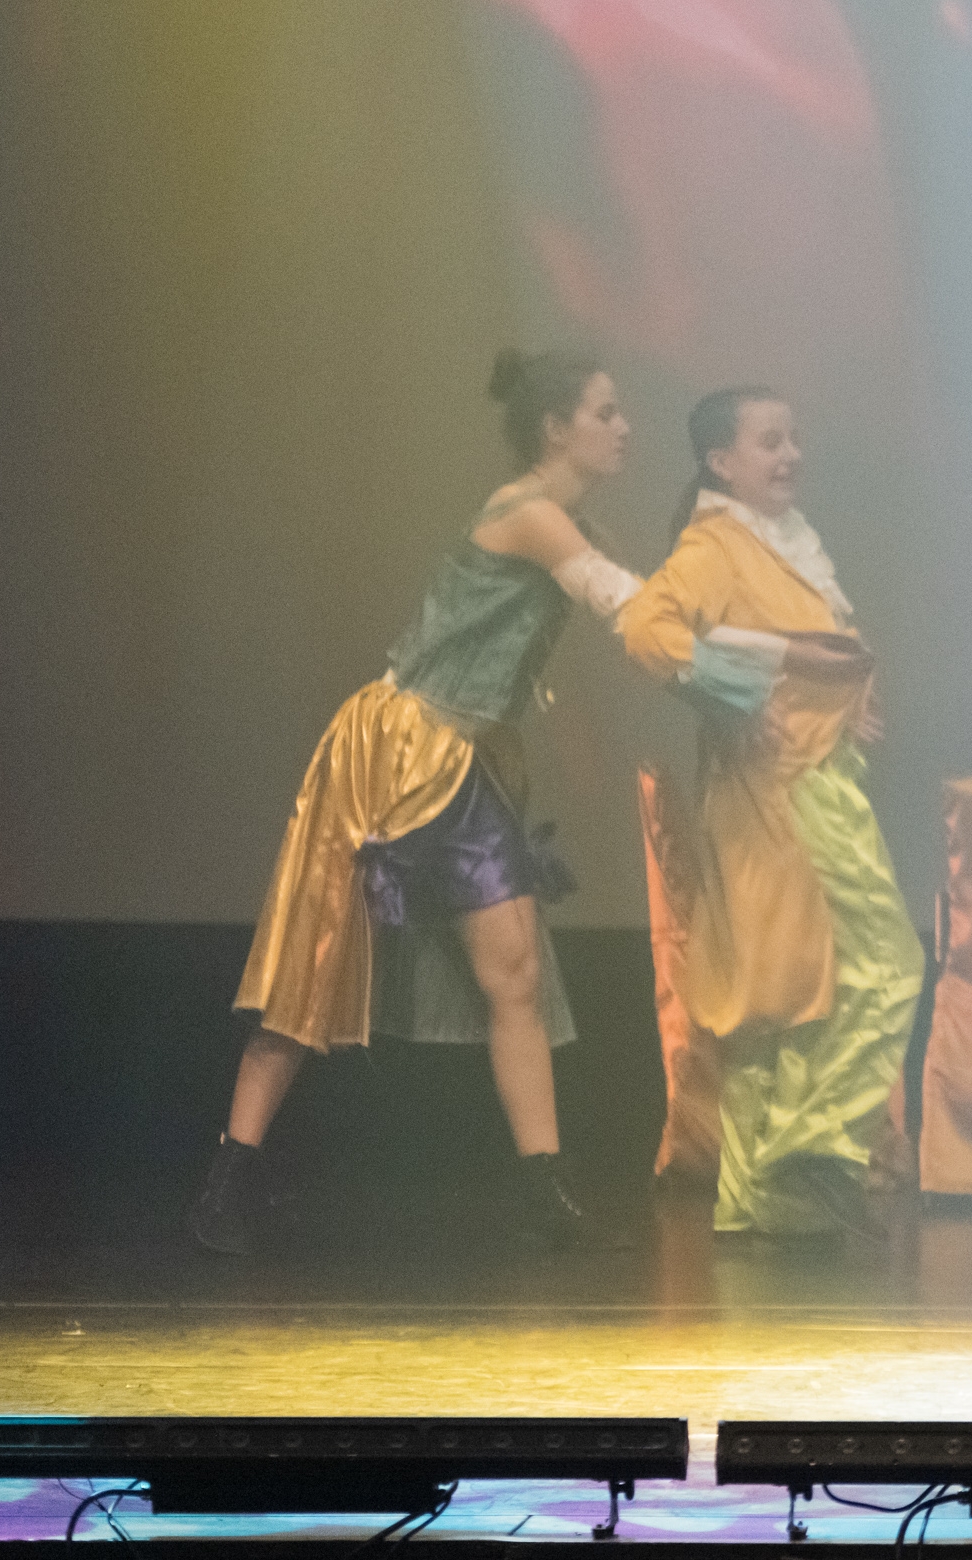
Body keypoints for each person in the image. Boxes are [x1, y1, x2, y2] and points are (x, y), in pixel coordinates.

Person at [188, 349, 643, 1255]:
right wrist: (756, 633)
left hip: (464, 760)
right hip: (401, 752)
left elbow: (640, 610)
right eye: (606, 412)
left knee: (513, 969)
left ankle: (541, 1187)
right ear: (556, 428)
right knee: (315, 961)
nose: (624, 427)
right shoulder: (530, 513)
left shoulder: (566, 519)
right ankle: (226, 1183)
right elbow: (626, 604)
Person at [620, 390, 921, 1242]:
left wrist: (847, 692)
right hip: (787, 791)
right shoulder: (717, 545)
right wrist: (741, 689)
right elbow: (649, 629)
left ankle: (762, 1198)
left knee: (782, 993)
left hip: (802, 780)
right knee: (884, 966)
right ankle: (806, 1149)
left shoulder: (775, 539)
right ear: (721, 461)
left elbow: (812, 644)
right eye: (769, 441)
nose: (790, 454)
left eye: (793, 438)